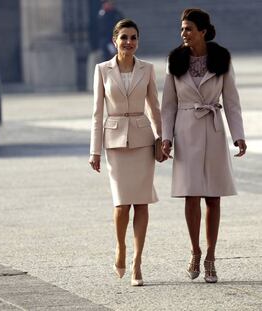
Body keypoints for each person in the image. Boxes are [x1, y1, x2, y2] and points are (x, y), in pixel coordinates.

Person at [161, 8, 247, 283]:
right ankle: (195, 251)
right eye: (182, 29)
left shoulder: (222, 59)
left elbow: (232, 101)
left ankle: (211, 256)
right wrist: (166, 137)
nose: (183, 33)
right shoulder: (174, 61)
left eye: (188, 29)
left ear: (203, 31)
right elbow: (168, 105)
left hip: (213, 128)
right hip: (185, 131)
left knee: (213, 196)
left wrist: (238, 135)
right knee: (190, 195)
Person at [89, 19, 162, 286]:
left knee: (141, 202)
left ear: (138, 41)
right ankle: (120, 247)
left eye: (133, 37)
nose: (128, 42)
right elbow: (97, 113)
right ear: (115, 41)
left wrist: (161, 138)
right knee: (121, 204)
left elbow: (155, 107)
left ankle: (137, 263)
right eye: (124, 38)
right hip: (115, 142)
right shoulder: (102, 70)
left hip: (143, 141)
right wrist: (94, 150)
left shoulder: (148, 69)